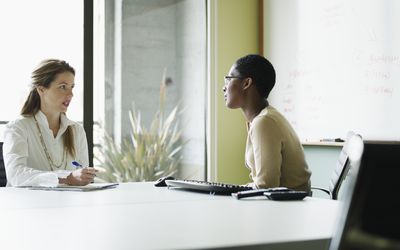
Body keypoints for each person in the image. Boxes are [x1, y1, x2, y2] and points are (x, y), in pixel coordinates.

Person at [222, 54, 311, 192]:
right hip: (283, 205)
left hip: (288, 208)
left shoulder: (264, 122)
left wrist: (230, 191)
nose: (224, 87)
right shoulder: (263, 118)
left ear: (246, 83)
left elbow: (266, 186)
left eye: (228, 79)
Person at [3, 59, 97, 187]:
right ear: (41, 89)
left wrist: (84, 176)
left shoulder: (76, 130)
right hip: (28, 205)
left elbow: (81, 178)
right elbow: (16, 175)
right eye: (62, 87)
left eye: (72, 87)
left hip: (68, 205)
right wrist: (66, 178)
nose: (71, 94)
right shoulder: (18, 128)